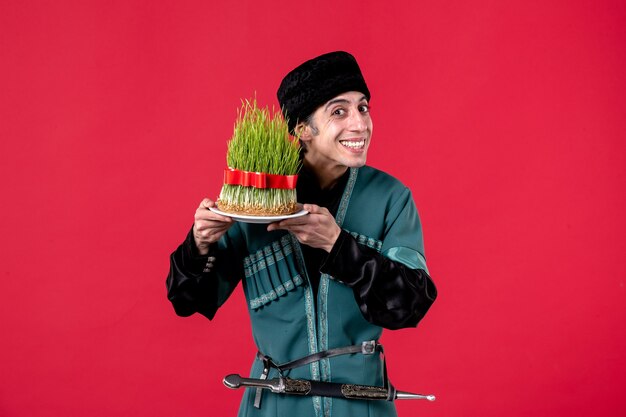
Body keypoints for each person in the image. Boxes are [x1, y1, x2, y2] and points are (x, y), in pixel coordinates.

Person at [166, 51, 437, 417]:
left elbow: (410, 305)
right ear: (301, 129)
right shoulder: (257, 197)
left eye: (364, 108)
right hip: (275, 404)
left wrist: (337, 245)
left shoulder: (392, 198)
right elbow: (189, 301)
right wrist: (198, 243)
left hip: (362, 405)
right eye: (339, 112)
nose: (360, 124)